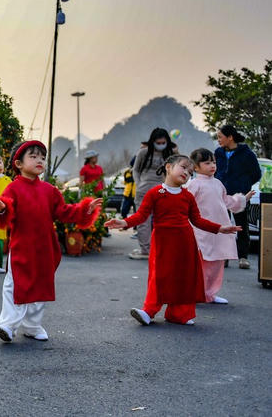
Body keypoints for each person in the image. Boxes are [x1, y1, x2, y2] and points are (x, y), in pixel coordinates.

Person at [107, 155, 241, 326]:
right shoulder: (155, 193)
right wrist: (124, 222)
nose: (187, 172)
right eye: (183, 167)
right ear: (168, 167)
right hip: (163, 242)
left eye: (190, 171)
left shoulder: (187, 196)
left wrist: (220, 228)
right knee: (159, 276)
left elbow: (197, 220)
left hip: (185, 243)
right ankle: (148, 312)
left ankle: (179, 314)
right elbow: (141, 215)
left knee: (184, 278)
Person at [0, 141, 101, 343]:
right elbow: (6, 211)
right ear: (19, 164)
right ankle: (7, 325)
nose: (39, 160)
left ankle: (32, 326)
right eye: (33, 156)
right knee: (14, 285)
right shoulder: (13, 188)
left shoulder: (49, 190)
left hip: (45, 247)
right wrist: (1, 210)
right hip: (22, 245)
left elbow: (64, 211)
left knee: (40, 286)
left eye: (42, 157)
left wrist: (86, 210)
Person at [186, 148, 251, 304]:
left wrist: (243, 199)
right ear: (195, 167)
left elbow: (227, 201)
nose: (212, 165)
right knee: (201, 264)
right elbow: (185, 206)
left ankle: (210, 293)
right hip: (201, 231)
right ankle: (196, 293)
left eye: (214, 162)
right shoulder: (194, 184)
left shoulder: (218, 183)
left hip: (219, 230)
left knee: (216, 263)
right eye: (207, 163)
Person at [214, 124, 262, 269]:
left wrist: (243, 185)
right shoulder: (218, 152)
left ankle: (243, 257)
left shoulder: (247, 154)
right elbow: (214, 170)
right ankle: (225, 256)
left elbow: (256, 174)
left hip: (240, 195)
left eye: (220, 137)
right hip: (221, 194)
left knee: (241, 225)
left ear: (230, 137)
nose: (218, 140)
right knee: (223, 224)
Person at [129, 128, 177, 259]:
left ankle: (161, 248)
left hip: (163, 190)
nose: (161, 144)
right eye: (158, 142)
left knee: (163, 220)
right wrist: (139, 184)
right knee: (143, 219)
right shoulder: (143, 152)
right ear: (153, 141)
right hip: (144, 189)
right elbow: (136, 170)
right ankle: (145, 250)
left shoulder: (171, 154)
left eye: (163, 142)